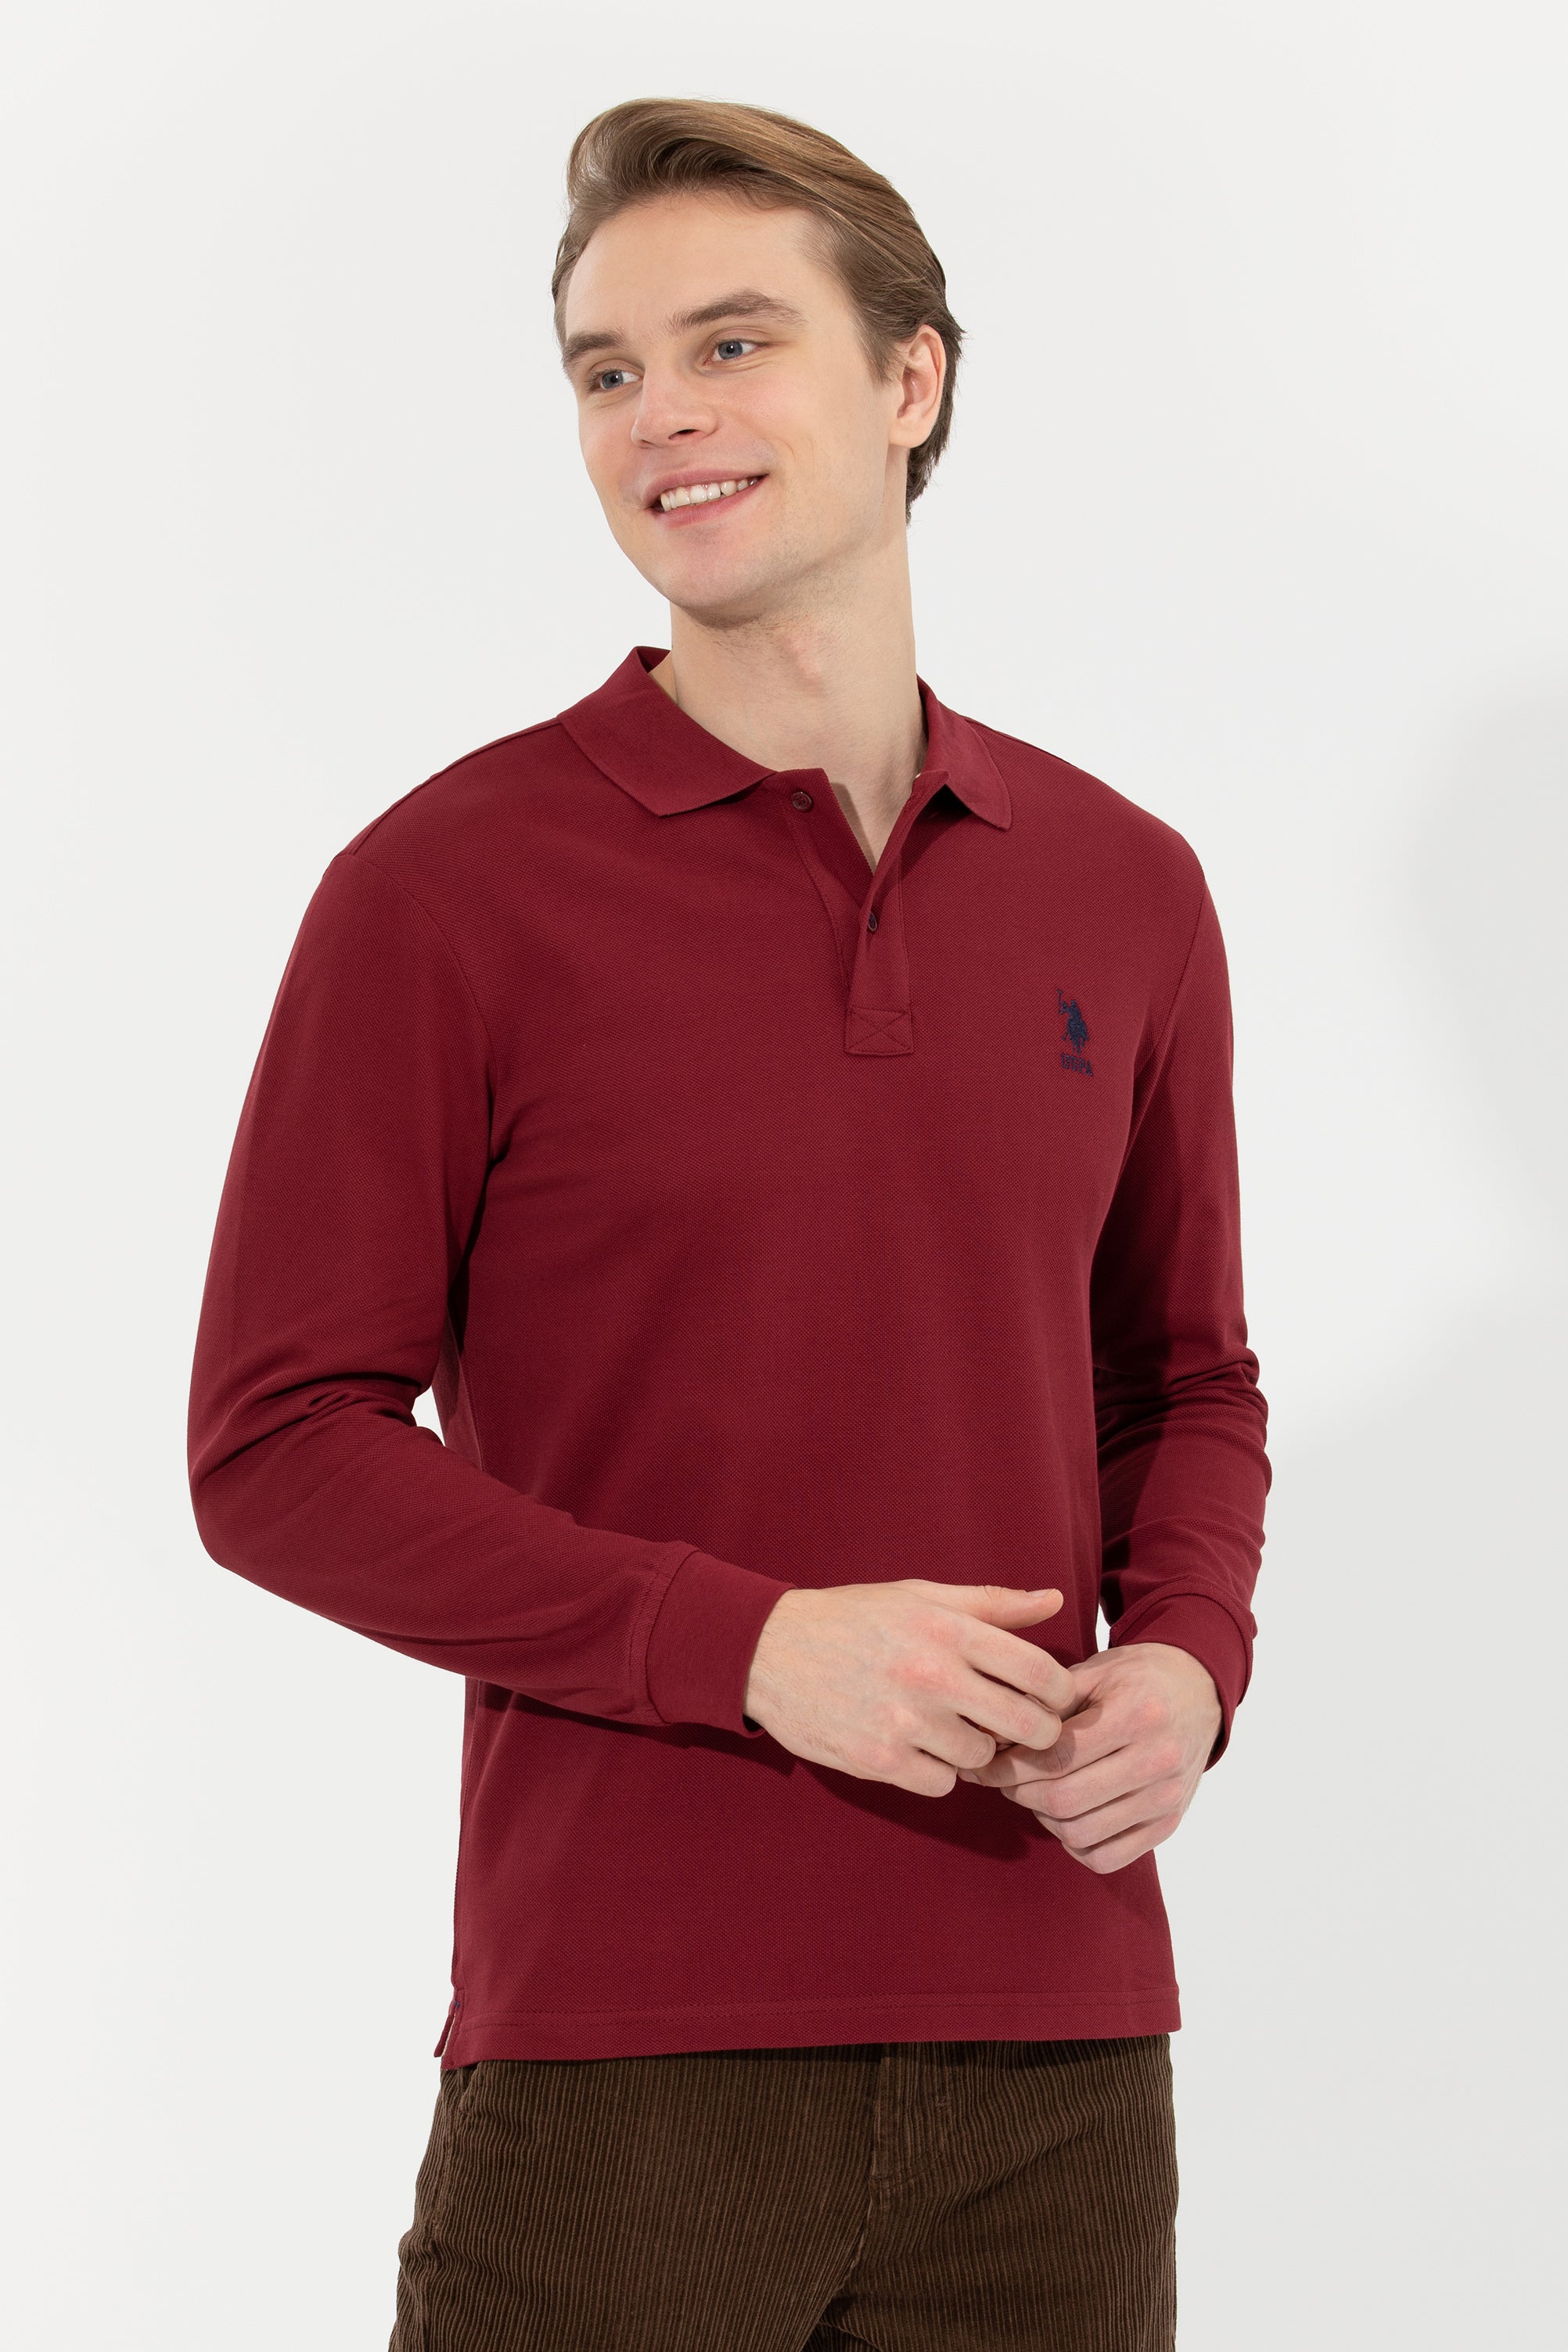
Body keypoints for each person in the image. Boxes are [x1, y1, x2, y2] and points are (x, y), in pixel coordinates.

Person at [186, 95, 1270, 2352]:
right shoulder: (445, 891)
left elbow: (1180, 1379)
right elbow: (274, 1447)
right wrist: (748, 1646)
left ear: (910, 379)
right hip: (625, 2059)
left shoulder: (1124, 885)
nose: (659, 412)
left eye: (732, 343)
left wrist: (1187, 1655)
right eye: (606, 368)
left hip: (1060, 2051)